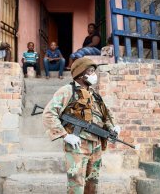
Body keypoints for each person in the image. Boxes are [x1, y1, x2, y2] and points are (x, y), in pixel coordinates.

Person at [42, 58, 121, 193]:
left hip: (96, 145)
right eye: (90, 71)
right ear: (80, 74)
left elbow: (105, 115)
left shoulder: (94, 95)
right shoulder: (67, 91)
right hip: (77, 145)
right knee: (76, 184)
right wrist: (65, 135)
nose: (93, 74)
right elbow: (49, 114)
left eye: (93, 71)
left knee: (92, 184)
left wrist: (113, 127)